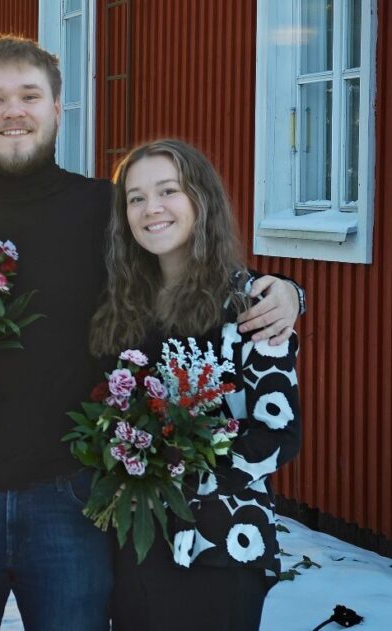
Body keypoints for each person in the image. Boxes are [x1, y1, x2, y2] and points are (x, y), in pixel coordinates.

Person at [0, 36, 303, 631]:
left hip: (73, 496)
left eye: (29, 95)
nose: (13, 111)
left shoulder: (105, 210)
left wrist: (281, 289)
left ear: (56, 109)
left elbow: (181, 262)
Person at [91, 139, 301, 631]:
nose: (152, 208)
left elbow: (279, 435)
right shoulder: (121, 306)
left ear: (200, 200)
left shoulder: (252, 305)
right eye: (136, 198)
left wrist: (174, 471)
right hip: (134, 545)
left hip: (221, 547)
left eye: (168, 190)